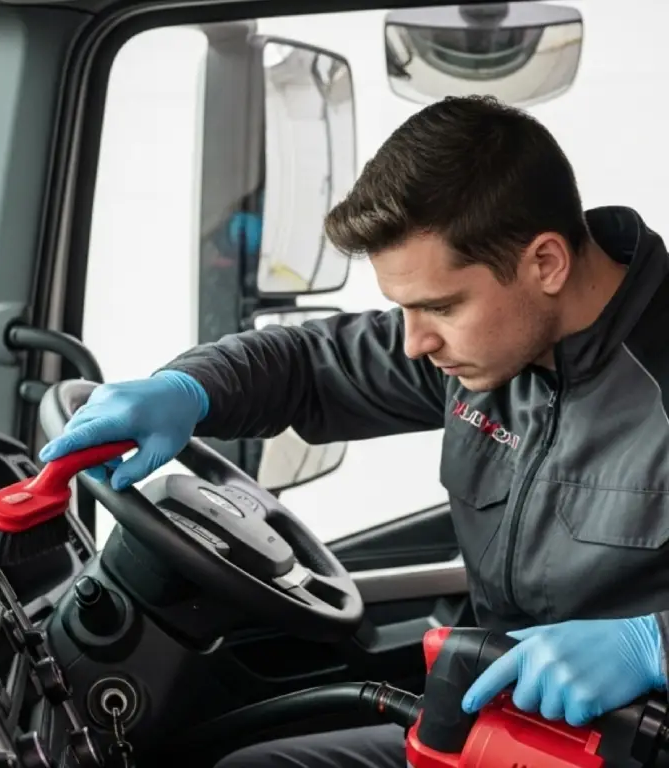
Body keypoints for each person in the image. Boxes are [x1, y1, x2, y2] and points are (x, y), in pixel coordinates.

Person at [41, 95, 669, 767]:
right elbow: (308, 365)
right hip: (491, 729)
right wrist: (190, 389)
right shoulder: (493, 349)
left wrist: (653, 646)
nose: (413, 342)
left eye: (440, 307)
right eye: (403, 309)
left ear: (546, 263)